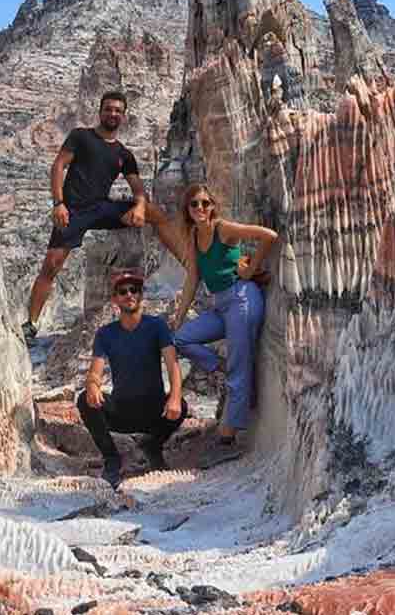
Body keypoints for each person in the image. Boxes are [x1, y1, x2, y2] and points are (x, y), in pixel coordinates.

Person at [24, 91, 182, 344]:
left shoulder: (124, 154)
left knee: (156, 214)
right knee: (52, 265)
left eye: (118, 110)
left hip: (100, 208)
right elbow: (58, 166)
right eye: (108, 109)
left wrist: (140, 207)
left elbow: (138, 189)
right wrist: (58, 203)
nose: (113, 114)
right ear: (100, 111)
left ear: (124, 116)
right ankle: (30, 324)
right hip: (73, 210)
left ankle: (186, 262)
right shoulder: (81, 137)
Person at [171, 182, 277, 466]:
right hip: (220, 304)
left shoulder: (223, 229)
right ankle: (218, 367)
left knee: (239, 367)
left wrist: (251, 270)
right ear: (188, 210)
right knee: (181, 339)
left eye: (206, 203)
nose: (201, 208)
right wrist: (179, 317)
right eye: (195, 204)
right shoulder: (194, 236)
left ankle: (229, 437)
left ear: (213, 206)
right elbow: (193, 277)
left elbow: (268, 236)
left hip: (242, 299)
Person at [76, 269, 187, 488]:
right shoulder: (105, 333)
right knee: (84, 400)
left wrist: (174, 397)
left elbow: (173, 365)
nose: (129, 295)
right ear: (115, 299)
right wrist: (92, 386)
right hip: (122, 410)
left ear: (141, 295)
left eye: (134, 289)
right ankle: (111, 458)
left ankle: (153, 446)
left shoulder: (156, 326)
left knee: (181, 405)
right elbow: (95, 371)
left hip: (154, 409)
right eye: (123, 291)